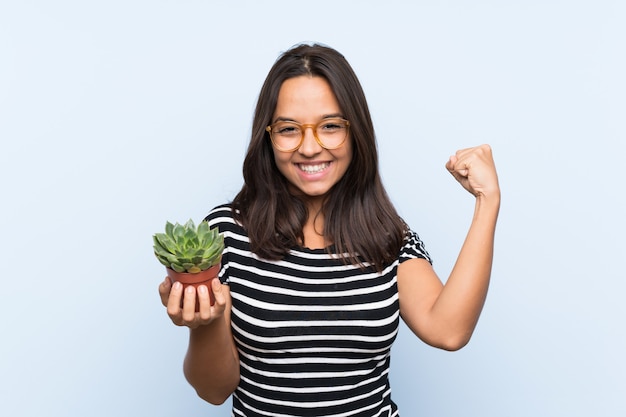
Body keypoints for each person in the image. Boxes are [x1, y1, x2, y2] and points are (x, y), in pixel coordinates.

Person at [158, 43, 500, 417]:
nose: (309, 147)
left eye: (330, 126)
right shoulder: (226, 234)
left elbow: (448, 331)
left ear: (356, 133)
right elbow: (213, 390)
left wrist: (487, 201)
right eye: (289, 129)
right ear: (268, 136)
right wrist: (203, 325)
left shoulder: (388, 236)